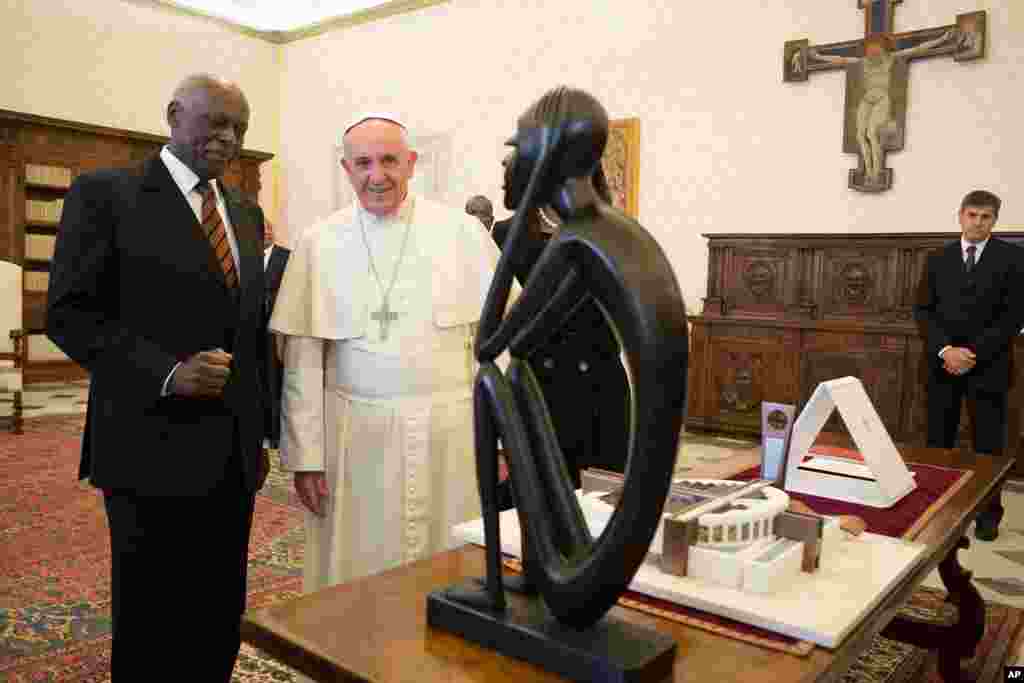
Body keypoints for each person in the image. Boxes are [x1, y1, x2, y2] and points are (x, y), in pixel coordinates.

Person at [46, 74, 272, 680]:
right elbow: (68, 315)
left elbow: (250, 333)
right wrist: (168, 373)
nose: (228, 138)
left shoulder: (246, 213)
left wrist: (263, 430)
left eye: (240, 128)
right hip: (148, 448)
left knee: (219, 610)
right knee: (152, 620)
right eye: (216, 122)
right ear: (174, 115)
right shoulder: (105, 194)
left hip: (232, 454)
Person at [269, 114, 508, 593]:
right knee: (357, 573)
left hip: (452, 435)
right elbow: (302, 360)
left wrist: (501, 439)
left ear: (411, 163)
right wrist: (306, 456)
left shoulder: (463, 235)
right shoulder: (319, 242)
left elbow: (500, 348)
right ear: (346, 168)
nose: (377, 175)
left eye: (389, 161)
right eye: (363, 163)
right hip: (353, 439)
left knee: (451, 567)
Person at [490, 163, 631, 493]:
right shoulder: (504, 234)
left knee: (602, 499)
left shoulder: (614, 232)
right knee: (538, 498)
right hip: (536, 385)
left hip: (600, 387)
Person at [915, 190, 1024, 541]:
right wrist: (946, 350)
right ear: (960, 215)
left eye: (986, 217)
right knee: (937, 443)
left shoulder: (1014, 259)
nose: (978, 222)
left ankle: (988, 515)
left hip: (988, 367)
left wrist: (970, 354)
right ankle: (936, 509)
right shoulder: (938, 257)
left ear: (994, 220)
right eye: (972, 215)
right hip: (940, 366)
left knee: (988, 447)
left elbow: (1013, 316)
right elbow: (924, 311)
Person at [809, 30, 957, 184]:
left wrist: (942, 39)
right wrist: (817, 57)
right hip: (866, 100)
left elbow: (918, 49)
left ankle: (875, 172)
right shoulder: (862, 61)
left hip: (882, 100)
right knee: (860, 136)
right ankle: (869, 172)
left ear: (883, 48)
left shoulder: (890, 58)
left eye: (876, 47)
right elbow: (839, 60)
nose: (872, 51)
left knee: (872, 133)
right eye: (870, 48)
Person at [264, 219, 290, 450]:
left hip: (277, 334)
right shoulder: (247, 256)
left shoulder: (287, 257)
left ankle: (277, 433)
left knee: (278, 381)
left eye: (269, 228)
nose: (266, 232)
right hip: (254, 334)